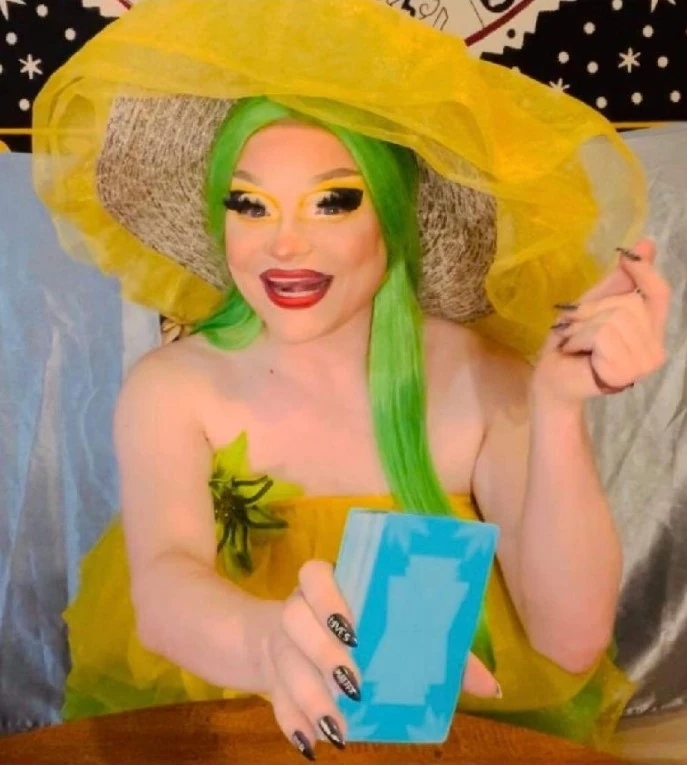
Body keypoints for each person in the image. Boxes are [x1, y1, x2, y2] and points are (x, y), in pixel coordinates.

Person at [32, 0, 670, 759]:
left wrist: (558, 407)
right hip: (228, 729)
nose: (284, 244)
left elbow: (569, 639)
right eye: (249, 204)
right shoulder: (172, 388)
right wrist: (265, 642)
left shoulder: (486, 380)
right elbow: (165, 583)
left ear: (394, 218)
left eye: (332, 201)